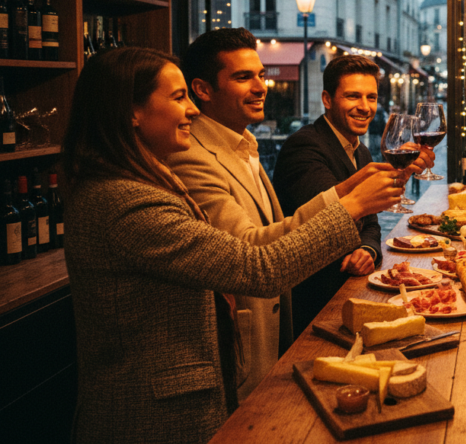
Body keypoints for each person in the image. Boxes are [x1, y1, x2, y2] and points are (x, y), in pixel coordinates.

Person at [61, 48, 401, 444]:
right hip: (150, 417)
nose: (191, 110)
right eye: (178, 97)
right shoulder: (126, 202)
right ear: (130, 111)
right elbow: (256, 267)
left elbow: (261, 240)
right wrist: (352, 205)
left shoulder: (141, 184)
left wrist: (345, 192)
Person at [273, 54, 435, 333]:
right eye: (353, 97)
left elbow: (370, 222)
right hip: (313, 303)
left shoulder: (360, 151)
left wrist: (368, 249)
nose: (365, 107)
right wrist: (398, 175)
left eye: (371, 97)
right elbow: (328, 219)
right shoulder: (305, 146)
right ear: (327, 99)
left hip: (350, 293)